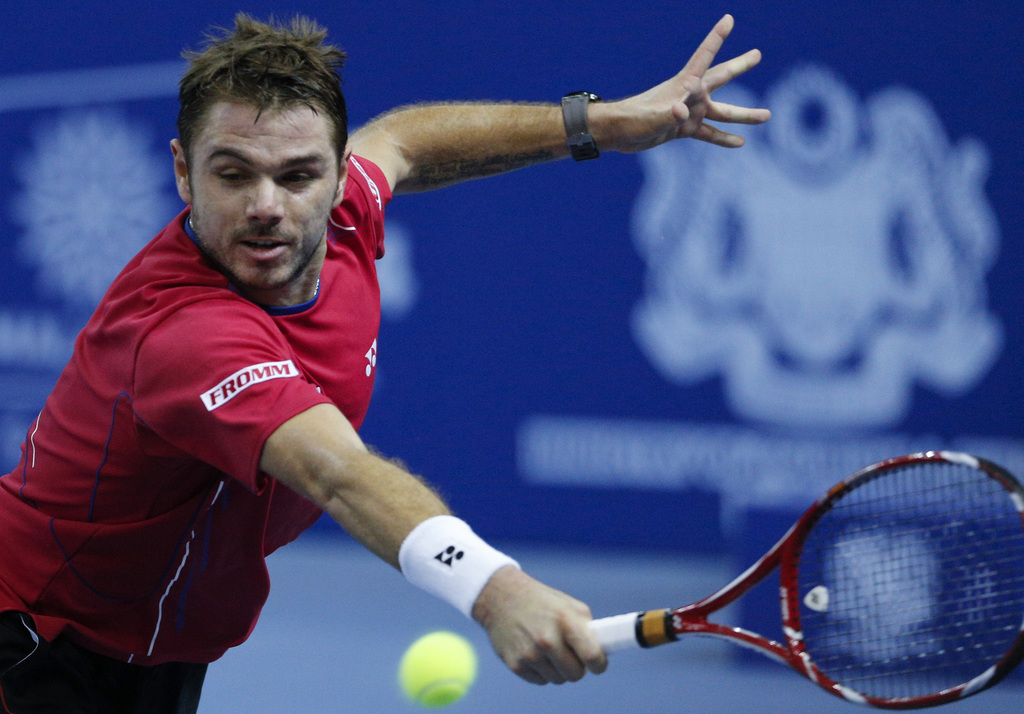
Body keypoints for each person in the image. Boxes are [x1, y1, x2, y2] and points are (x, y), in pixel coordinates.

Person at [0, 12, 769, 712]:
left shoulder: (342, 215)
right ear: (181, 170)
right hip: (36, 634)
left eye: (297, 174)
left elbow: (400, 140)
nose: (266, 205)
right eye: (232, 174)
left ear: (337, 176)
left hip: (157, 644)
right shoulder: (183, 332)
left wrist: (597, 122)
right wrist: (496, 591)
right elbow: (340, 471)